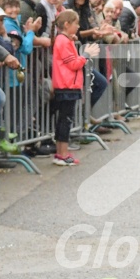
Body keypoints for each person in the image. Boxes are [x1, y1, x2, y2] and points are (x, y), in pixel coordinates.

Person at [51, 10, 100, 165]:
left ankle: (61, 152)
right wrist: (86, 54)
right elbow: (73, 64)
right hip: (67, 85)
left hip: (66, 84)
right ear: (67, 24)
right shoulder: (63, 41)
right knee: (66, 120)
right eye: (76, 24)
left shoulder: (64, 39)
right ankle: (62, 153)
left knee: (63, 119)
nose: (78, 27)